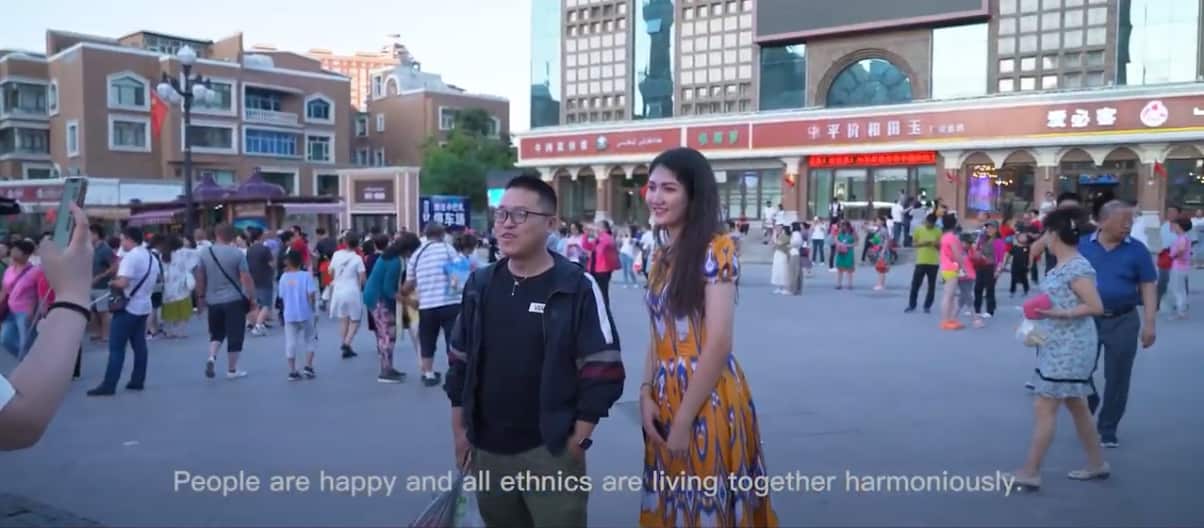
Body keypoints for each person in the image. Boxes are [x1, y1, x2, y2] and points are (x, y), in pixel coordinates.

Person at [445, 175, 623, 527]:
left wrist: (577, 440)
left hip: (551, 450)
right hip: (488, 449)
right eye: (501, 215)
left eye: (520, 214)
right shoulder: (480, 285)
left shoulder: (575, 286)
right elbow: (459, 362)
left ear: (550, 224)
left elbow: (604, 367)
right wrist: (460, 434)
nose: (506, 224)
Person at [635, 148, 776, 526]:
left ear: (693, 195)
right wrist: (646, 390)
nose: (656, 197)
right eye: (652, 187)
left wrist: (683, 421)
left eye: (669, 189)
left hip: (706, 399)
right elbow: (658, 332)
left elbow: (718, 342)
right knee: (671, 502)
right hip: (664, 395)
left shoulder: (717, 249)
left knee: (705, 506)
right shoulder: (661, 255)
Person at [1009, 207, 1110, 490]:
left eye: (1045, 231)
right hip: (1058, 340)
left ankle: (1031, 470)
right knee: (1076, 404)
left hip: (1071, 344)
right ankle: (1096, 463)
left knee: (1046, 404)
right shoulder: (1065, 264)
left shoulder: (1077, 267)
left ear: (1054, 233)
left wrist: (1057, 314)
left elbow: (1095, 306)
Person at [0, 205, 92, 450]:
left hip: (25, 311)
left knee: (21, 342)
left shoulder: (31, 270)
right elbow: (18, 422)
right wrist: (73, 294)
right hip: (18, 311)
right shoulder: (10, 268)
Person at [1080, 201, 1157, 448]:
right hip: (1086, 319)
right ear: (1102, 222)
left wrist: (1149, 323)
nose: (1128, 225)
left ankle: (1108, 428)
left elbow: (1148, 285)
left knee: (1118, 377)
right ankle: (1090, 398)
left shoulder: (1137, 250)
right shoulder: (1081, 246)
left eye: (1130, 221)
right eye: (1122, 221)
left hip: (1123, 319)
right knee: (1079, 370)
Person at [86, 227, 161, 396]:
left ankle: (109, 384)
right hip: (144, 305)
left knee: (117, 347)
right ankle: (137, 380)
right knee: (139, 345)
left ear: (129, 239)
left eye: (122, 240)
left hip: (127, 307)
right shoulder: (151, 257)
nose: (121, 243)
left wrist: (112, 282)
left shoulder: (131, 257)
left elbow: (123, 283)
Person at [196, 224, 257, 381]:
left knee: (217, 333)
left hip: (212, 300)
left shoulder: (204, 253)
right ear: (231, 236)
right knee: (235, 334)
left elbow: (200, 277)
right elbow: (245, 277)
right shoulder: (237, 253)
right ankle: (232, 369)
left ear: (217, 234)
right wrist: (251, 297)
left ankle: (212, 357)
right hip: (233, 299)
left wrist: (201, 297)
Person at [403, 222, 460, 387]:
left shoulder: (417, 254)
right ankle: (454, 372)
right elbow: (458, 273)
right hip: (450, 303)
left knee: (427, 339)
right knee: (453, 339)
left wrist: (402, 294)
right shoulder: (448, 249)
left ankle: (428, 374)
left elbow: (410, 283)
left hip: (427, 304)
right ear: (442, 235)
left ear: (425, 234)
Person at [363, 238, 407, 383]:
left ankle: (388, 367)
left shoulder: (388, 257)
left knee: (386, 333)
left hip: (374, 296)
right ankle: (385, 371)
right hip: (379, 299)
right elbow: (388, 289)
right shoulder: (395, 262)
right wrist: (407, 301)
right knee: (387, 334)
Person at [277, 250, 318, 381]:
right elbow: (311, 294)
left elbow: (281, 296)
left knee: (291, 342)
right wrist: (313, 308)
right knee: (310, 339)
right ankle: (308, 366)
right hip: (305, 312)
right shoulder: (306, 276)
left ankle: (292, 370)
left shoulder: (284, 277)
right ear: (301, 262)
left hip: (289, 313)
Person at [0, 240, 42, 359]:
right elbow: (4, 290)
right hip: (10, 310)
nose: (12, 252)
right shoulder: (9, 270)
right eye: (12, 249)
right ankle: (31, 360)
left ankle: (26, 367)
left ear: (26, 254)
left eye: (17, 250)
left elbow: (39, 293)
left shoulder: (35, 271)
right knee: (5, 339)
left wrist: (34, 311)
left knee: (26, 343)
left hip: (25, 312)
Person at [329, 232, 367, 358]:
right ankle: (347, 342)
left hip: (338, 290)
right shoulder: (357, 258)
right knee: (355, 319)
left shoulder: (336, 254)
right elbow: (362, 277)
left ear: (345, 242)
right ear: (357, 244)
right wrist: (361, 286)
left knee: (344, 319)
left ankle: (345, 345)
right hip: (352, 291)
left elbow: (331, 271)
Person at [158, 235, 193, 338]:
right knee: (183, 309)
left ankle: (169, 331)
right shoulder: (182, 254)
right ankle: (181, 331)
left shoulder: (163, 255)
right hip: (181, 284)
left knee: (169, 309)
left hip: (168, 284)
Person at [905, 214, 941, 313]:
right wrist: (922, 243)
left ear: (934, 223)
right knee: (915, 284)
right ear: (926, 221)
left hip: (933, 262)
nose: (929, 225)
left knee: (931, 285)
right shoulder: (919, 229)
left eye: (931, 224)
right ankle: (912, 305)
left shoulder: (938, 231)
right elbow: (913, 243)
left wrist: (936, 244)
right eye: (928, 223)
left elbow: (941, 247)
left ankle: (927, 306)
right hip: (921, 261)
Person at [89, 225, 118, 342]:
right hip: (90, 285)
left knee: (103, 311)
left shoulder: (105, 249)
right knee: (94, 311)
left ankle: (105, 335)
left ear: (96, 234)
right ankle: (97, 333)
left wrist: (101, 276)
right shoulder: (91, 248)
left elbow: (115, 266)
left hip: (102, 286)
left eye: (90, 234)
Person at [937, 214, 967, 330]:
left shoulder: (945, 236)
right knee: (949, 295)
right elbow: (957, 255)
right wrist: (963, 265)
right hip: (951, 267)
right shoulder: (952, 237)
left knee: (949, 294)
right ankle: (945, 320)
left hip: (946, 266)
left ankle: (949, 319)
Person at [973, 221, 1007, 319]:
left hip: (991, 267)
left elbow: (1000, 258)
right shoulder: (982, 239)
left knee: (989, 289)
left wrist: (998, 270)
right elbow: (977, 249)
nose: (989, 230)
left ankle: (990, 310)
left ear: (996, 229)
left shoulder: (999, 241)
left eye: (992, 228)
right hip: (980, 265)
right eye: (988, 228)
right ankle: (977, 309)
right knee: (978, 287)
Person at [245, 228, 275, 336]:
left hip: (253, 278)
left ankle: (254, 322)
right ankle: (258, 325)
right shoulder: (265, 249)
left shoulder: (250, 249)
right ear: (260, 236)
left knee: (256, 303)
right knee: (266, 304)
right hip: (265, 278)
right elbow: (272, 264)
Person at [583, 220, 619, 307]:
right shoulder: (598, 239)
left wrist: (596, 234)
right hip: (594, 268)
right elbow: (586, 246)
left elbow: (604, 246)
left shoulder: (607, 238)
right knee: (595, 292)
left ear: (605, 228)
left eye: (598, 226)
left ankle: (606, 313)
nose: (596, 228)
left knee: (602, 293)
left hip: (603, 270)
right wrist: (586, 235)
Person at [1167, 217, 1193, 319]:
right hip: (1183, 266)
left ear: (1181, 226)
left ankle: (1180, 311)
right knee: (1180, 289)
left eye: (1176, 225)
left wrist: (1174, 256)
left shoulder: (1182, 238)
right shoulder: (1184, 237)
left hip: (1179, 266)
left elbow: (1181, 249)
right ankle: (1182, 310)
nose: (1174, 227)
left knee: (1177, 289)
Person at [834, 220, 856, 289]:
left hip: (849, 252)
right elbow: (836, 239)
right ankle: (839, 284)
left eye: (844, 226)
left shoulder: (852, 233)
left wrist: (849, 245)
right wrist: (839, 243)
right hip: (841, 252)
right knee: (840, 268)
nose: (843, 227)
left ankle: (849, 284)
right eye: (842, 226)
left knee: (849, 269)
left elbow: (857, 242)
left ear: (848, 226)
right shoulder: (840, 232)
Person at [1008, 232, 1033, 296]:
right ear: (1018, 238)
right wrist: (1005, 263)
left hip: (1024, 266)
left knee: (1024, 278)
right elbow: (1009, 255)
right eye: (1021, 237)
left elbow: (1030, 256)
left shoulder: (1026, 248)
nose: (1022, 238)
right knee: (1013, 278)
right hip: (1014, 266)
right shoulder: (1015, 247)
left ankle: (1026, 290)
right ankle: (1012, 291)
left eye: (1024, 237)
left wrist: (1030, 264)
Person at [770, 225, 791, 294]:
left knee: (783, 270)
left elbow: (779, 243)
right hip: (777, 254)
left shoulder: (786, 236)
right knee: (777, 270)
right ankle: (779, 287)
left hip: (783, 254)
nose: (782, 230)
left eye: (783, 229)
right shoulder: (781, 236)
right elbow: (774, 244)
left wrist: (774, 237)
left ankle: (785, 287)